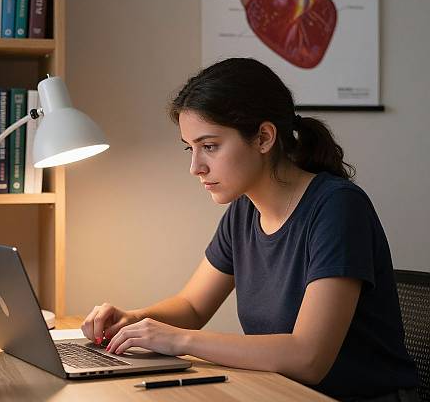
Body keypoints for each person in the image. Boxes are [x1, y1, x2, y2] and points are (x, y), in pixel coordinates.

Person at [82, 58, 419, 402]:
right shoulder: (244, 211)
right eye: (190, 147)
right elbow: (193, 307)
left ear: (263, 137)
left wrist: (177, 340)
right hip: (285, 394)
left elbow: (309, 358)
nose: (195, 167)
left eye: (209, 146)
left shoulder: (338, 208)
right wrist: (134, 320)